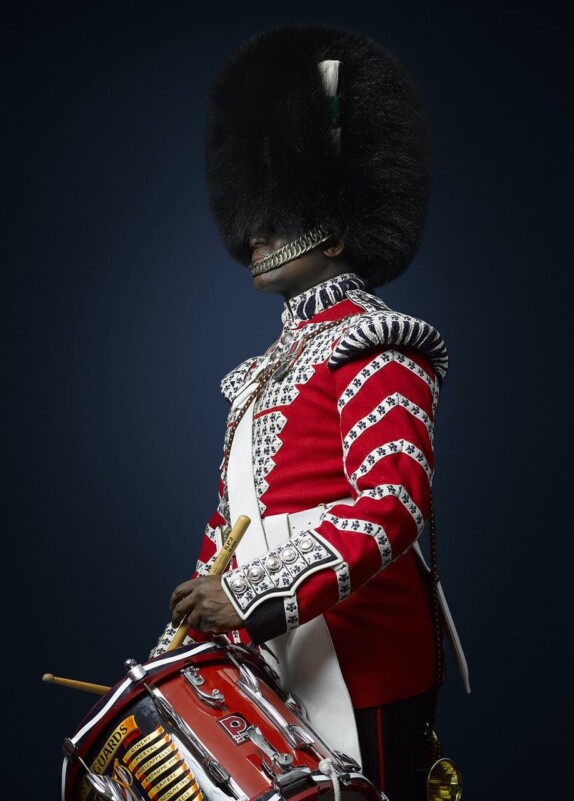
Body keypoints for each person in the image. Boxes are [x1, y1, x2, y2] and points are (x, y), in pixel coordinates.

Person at [150, 23, 468, 801]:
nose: (255, 228)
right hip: (266, 662)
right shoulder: (254, 377)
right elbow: (229, 532)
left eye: (279, 206)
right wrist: (191, 635)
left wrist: (250, 599)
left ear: (334, 206)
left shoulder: (379, 344)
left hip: (361, 667)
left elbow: (391, 507)